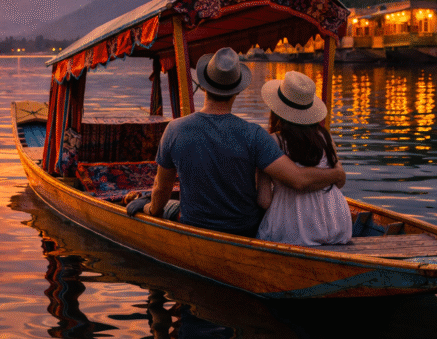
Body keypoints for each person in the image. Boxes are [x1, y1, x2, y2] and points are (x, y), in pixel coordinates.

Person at [130, 47, 345, 237]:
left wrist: (150, 209)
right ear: (238, 91)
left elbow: (162, 187)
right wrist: (336, 173)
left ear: (203, 86)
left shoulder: (174, 130)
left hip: (194, 225)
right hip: (245, 229)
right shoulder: (255, 135)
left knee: (166, 206)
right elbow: (297, 179)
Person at [255, 71, 352, 245]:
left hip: (295, 228)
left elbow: (264, 200)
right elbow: (340, 181)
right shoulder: (325, 137)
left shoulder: (273, 142)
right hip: (336, 223)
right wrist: (333, 174)